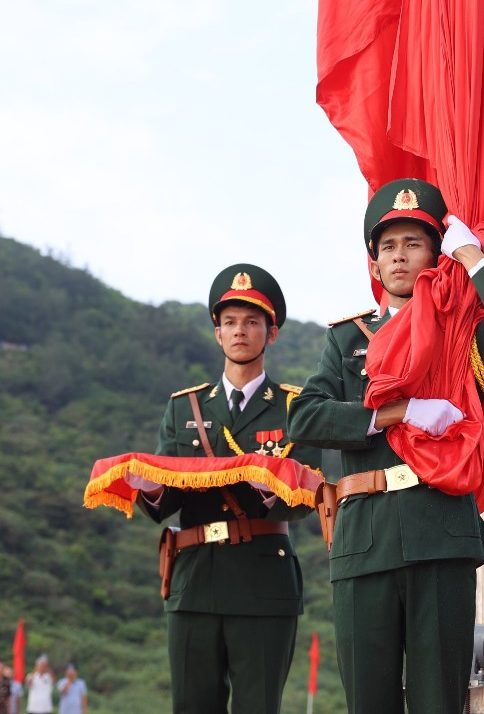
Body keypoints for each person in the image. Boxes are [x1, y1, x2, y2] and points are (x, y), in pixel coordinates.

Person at [288, 178, 484, 713]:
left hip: (439, 530)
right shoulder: (347, 339)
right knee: (369, 701)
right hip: (364, 537)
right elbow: (305, 418)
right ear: (374, 264)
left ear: (435, 255)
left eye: (414, 243)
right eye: (388, 247)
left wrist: (472, 256)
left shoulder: (460, 336)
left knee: (438, 701)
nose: (399, 256)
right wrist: (393, 413)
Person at [132, 264, 321, 713]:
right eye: (230, 322)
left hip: (263, 580)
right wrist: (151, 490)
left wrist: (274, 489)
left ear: (271, 333)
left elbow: (309, 494)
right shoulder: (185, 408)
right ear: (217, 333)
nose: (241, 332)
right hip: (194, 578)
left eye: (252, 322)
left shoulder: (296, 407)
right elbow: (166, 504)